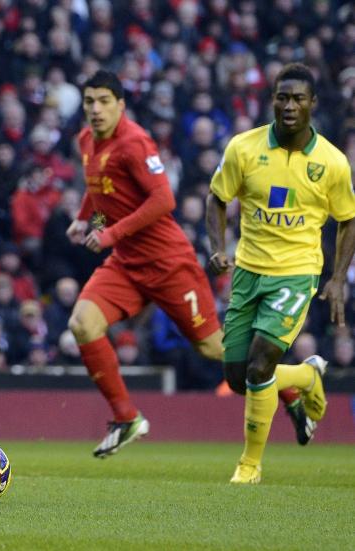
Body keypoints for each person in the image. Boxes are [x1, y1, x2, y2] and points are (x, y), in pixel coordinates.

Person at [67, 70, 267, 459]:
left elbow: (163, 201)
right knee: (82, 323)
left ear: (121, 105)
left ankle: (293, 384)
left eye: (104, 101)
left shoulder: (136, 143)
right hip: (126, 265)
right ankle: (126, 418)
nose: (95, 109)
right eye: (89, 101)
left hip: (168, 263)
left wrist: (108, 235)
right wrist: (82, 218)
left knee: (213, 348)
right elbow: (98, 188)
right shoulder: (86, 140)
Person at [206, 63, 355, 484]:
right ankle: (307, 376)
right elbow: (216, 198)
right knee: (238, 377)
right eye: (282, 97)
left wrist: (338, 277)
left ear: (313, 104)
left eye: (298, 99)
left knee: (259, 366)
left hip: (296, 274)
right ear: (272, 99)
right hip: (249, 271)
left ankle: (249, 466)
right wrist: (217, 248)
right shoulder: (244, 148)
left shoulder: (332, 162)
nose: (289, 106)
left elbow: (349, 219)